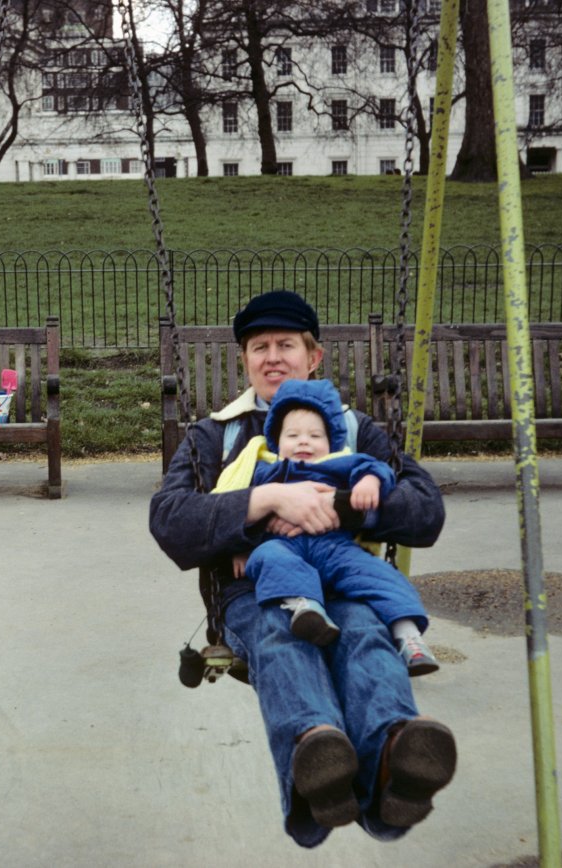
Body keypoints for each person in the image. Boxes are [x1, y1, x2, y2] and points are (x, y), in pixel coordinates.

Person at [149, 289, 455, 849]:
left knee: (364, 632)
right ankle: (318, 759)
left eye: (285, 345)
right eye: (258, 346)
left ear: (313, 357)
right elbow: (170, 522)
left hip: (343, 575)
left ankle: (394, 755)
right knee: (281, 638)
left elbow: (426, 512)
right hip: (255, 589)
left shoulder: (354, 432)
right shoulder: (216, 434)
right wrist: (266, 504)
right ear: (245, 359)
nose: (271, 357)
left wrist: (332, 506)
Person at [215, 377, 439, 675]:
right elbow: (237, 508)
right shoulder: (264, 468)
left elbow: (375, 468)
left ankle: (408, 635)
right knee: (267, 558)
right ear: (277, 442)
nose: (304, 441)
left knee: (379, 574)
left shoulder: (339, 463)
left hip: (335, 546)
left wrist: (368, 484)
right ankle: (306, 609)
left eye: (315, 436)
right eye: (293, 435)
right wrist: (239, 548)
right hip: (284, 545)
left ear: (330, 442)